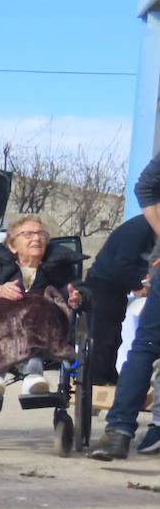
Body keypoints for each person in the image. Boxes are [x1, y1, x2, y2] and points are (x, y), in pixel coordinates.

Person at [0, 215, 84, 396]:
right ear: (12, 246)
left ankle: (32, 373)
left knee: (38, 304)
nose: (36, 238)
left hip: (44, 327)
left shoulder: (59, 268)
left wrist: (77, 297)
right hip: (1, 329)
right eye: (28, 234)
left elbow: (76, 290)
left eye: (40, 234)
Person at [91, 151, 160, 461]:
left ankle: (119, 431)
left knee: (145, 347)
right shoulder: (135, 232)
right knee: (134, 343)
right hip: (105, 284)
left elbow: (145, 186)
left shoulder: (146, 221)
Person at [80, 213, 156, 385]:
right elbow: (121, 265)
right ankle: (95, 381)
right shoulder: (139, 229)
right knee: (102, 337)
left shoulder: (148, 227)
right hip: (102, 284)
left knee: (114, 338)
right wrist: (138, 286)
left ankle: (109, 376)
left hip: (117, 288)